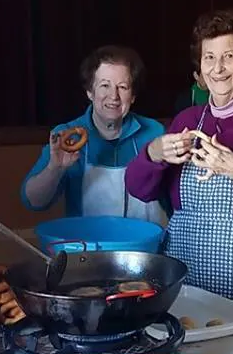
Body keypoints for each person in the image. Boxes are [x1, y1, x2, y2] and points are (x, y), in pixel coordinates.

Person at [126, 9, 233, 353]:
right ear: (200, 67)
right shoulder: (187, 120)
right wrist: (155, 153)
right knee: (191, 352)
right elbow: (139, 188)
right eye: (209, 57)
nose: (218, 68)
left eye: (229, 57)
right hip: (190, 264)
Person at [21, 45, 168, 224]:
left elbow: (173, 195)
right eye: (105, 85)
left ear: (133, 96)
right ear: (90, 92)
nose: (113, 96)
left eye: (122, 87)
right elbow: (33, 202)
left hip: (142, 247)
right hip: (89, 248)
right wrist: (55, 168)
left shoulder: (155, 133)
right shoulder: (66, 135)